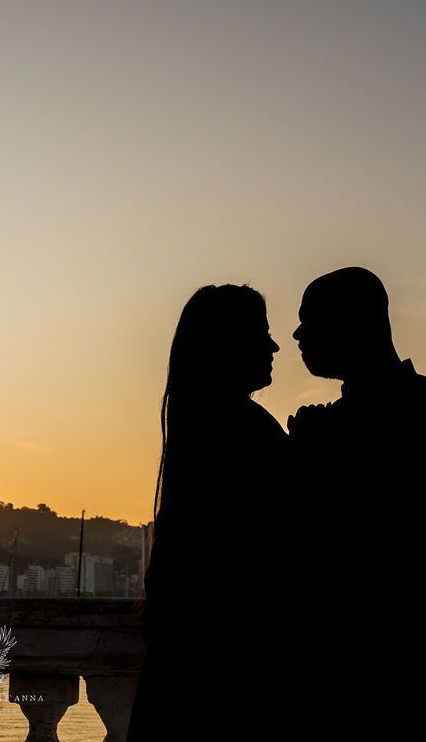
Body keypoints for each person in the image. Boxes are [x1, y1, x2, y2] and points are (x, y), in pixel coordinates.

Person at [287, 267, 426, 741]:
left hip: (392, 687)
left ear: (356, 323)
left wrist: (325, 464)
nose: (298, 335)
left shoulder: (333, 436)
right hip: (418, 684)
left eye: (311, 321)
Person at [128, 284, 285, 741]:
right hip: (230, 676)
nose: (274, 346)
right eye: (262, 334)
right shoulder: (246, 431)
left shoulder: (201, 430)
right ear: (229, 346)